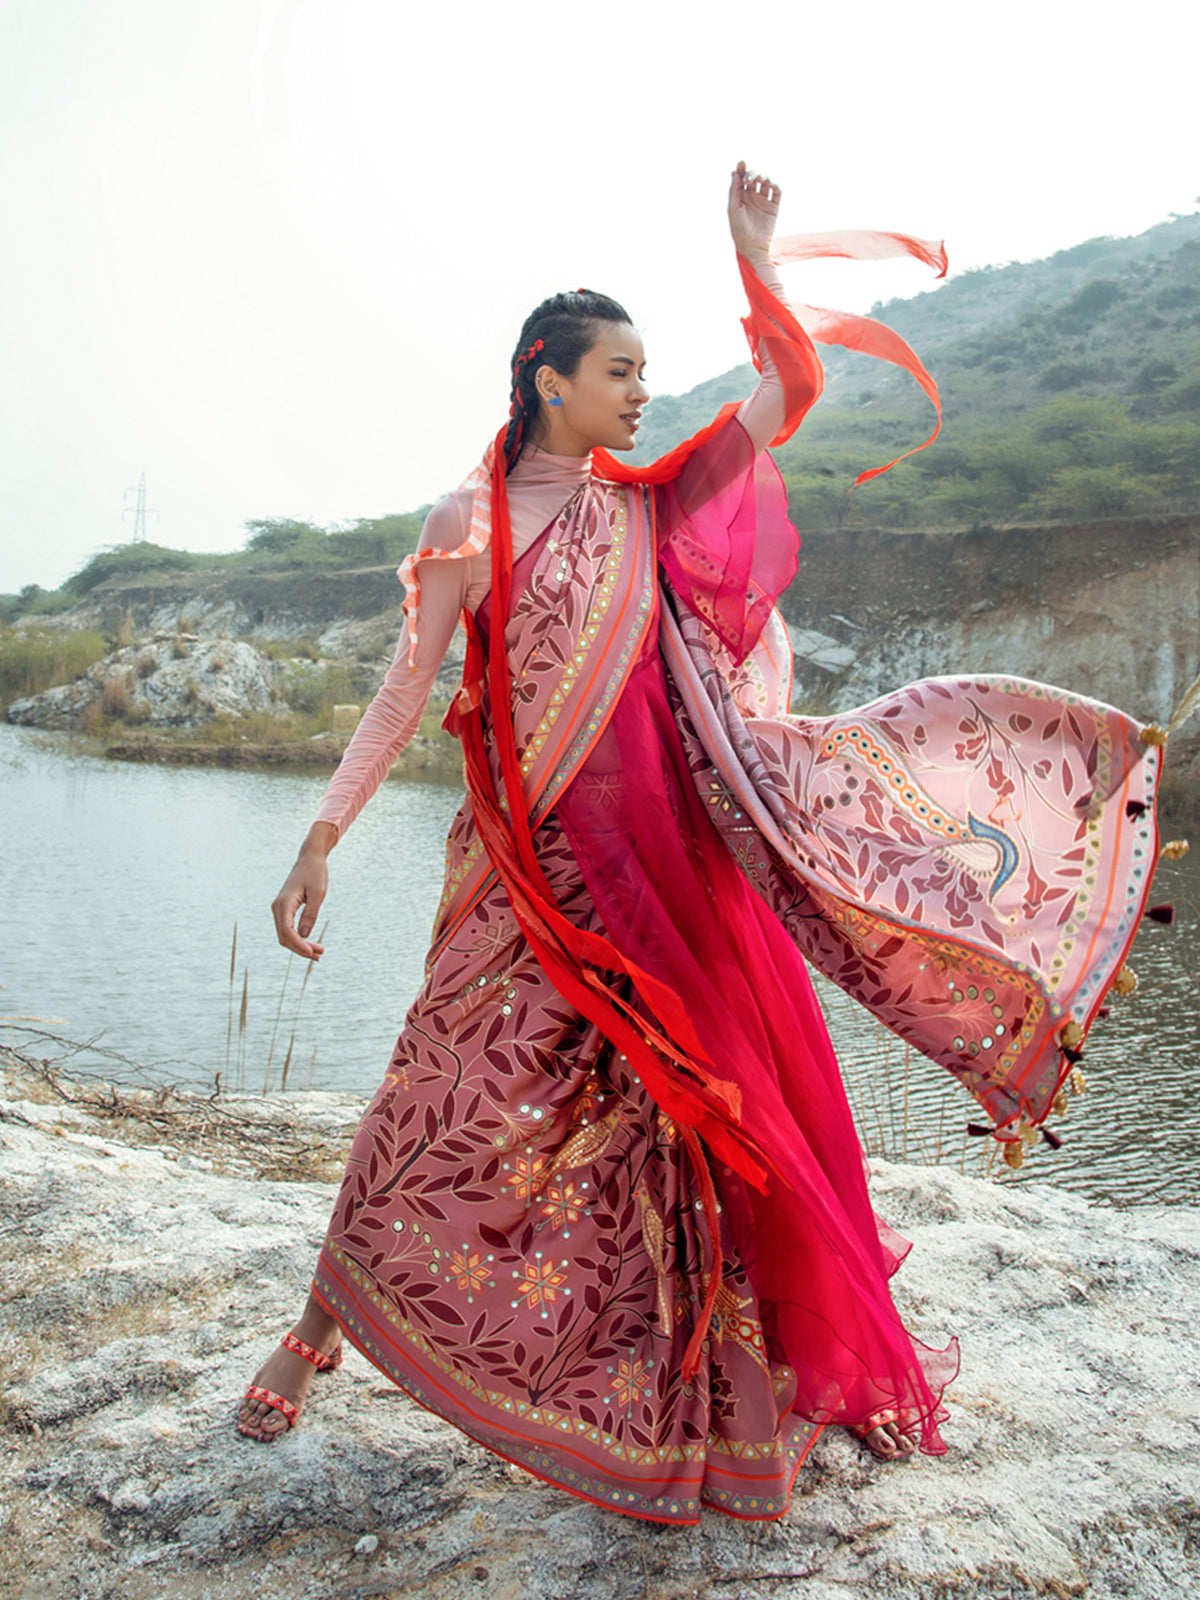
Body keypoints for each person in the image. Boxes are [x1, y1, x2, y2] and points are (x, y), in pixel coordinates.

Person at [236, 164, 1162, 1524]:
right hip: (521, 878)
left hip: (664, 879)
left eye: (647, 370)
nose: (640, 392)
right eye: (619, 371)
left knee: (678, 1125)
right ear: (546, 378)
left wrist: (758, 265)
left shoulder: (646, 503)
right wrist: (320, 837)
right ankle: (316, 1334)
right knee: (434, 1096)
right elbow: (402, 692)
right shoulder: (468, 525)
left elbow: (783, 402)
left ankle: (710, 1385)